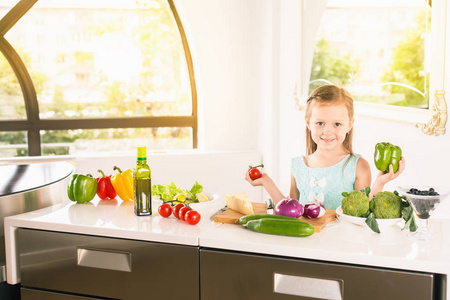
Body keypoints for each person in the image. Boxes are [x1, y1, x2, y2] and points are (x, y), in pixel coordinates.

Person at [245, 84, 405, 209]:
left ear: (350, 125)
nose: (328, 131)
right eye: (320, 123)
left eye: (337, 124)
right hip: (304, 248)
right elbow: (290, 212)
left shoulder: (358, 166)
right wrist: (267, 182)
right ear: (308, 122)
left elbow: (365, 213)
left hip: (340, 247)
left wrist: (380, 183)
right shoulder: (298, 166)